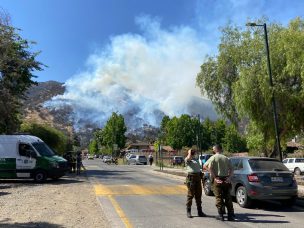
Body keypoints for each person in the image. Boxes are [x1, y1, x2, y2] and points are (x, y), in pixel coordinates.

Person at [203, 145, 235, 221]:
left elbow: (206, 166)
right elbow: (232, 169)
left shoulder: (213, 157)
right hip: (226, 179)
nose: (212, 150)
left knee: (219, 197)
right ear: (221, 149)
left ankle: (221, 215)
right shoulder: (226, 158)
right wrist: (229, 177)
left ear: (215, 149)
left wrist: (215, 177)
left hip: (218, 180)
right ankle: (230, 215)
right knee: (228, 197)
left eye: (213, 149)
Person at [185, 149, 206, 218]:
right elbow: (188, 158)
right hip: (191, 178)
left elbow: (201, 167)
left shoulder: (197, 160)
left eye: (195, 152)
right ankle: (188, 211)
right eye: (193, 153)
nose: (195, 153)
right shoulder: (188, 159)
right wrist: (189, 152)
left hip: (198, 177)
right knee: (190, 195)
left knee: (198, 195)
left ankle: (200, 211)